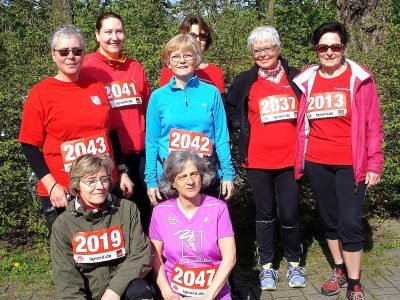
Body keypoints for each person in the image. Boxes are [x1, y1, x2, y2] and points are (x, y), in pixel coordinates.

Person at [293, 22, 383, 300]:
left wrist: (374, 162)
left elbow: (373, 124)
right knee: (330, 219)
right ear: (316, 49)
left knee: (351, 220)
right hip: (318, 162)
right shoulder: (307, 79)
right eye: (323, 47)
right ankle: (339, 269)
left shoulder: (360, 79)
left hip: (351, 163)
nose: (329, 52)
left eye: (335, 46)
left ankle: (354, 283)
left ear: (344, 48)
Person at [18, 24, 133, 233]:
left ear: (83, 54)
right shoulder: (40, 93)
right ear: (53, 55)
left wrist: (122, 171)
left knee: (111, 251)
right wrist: (52, 185)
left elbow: (112, 133)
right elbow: (29, 146)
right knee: (73, 257)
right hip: (63, 191)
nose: (70, 56)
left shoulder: (96, 86)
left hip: (103, 186)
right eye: (64, 51)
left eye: (77, 51)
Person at [226, 26, 305, 290]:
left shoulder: (298, 78)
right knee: (264, 213)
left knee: (290, 213)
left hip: (290, 159)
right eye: (257, 50)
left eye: (268, 48)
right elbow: (230, 109)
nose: (263, 54)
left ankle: (295, 263)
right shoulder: (244, 81)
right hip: (258, 160)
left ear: (279, 48)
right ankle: (267, 266)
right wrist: (240, 131)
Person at [81, 12, 152, 231]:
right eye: (108, 32)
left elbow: (148, 109)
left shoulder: (135, 67)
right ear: (97, 35)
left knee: (144, 214)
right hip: (106, 157)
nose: (114, 37)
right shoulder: (87, 67)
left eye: (119, 31)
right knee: (112, 217)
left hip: (139, 155)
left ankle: (147, 263)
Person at [145, 33, 235, 205]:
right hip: (170, 178)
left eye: (187, 55)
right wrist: (150, 180)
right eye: (176, 57)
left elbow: (222, 137)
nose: (182, 61)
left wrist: (228, 174)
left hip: (206, 176)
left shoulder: (212, 93)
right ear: (168, 62)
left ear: (196, 59)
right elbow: (152, 141)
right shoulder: (158, 97)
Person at [50, 154, 153, 300]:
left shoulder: (127, 209)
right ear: (77, 184)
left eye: (104, 179)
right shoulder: (63, 224)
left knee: (141, 290)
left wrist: (114, 291)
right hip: (87, 294)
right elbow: (66, 280)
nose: (100, 186)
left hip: (123, 290)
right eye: (91, 181)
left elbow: (141, 254)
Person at [149, 150, 236, 300]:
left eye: (194, 174)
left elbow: (230, 257)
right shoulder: (160, 212)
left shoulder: (218, 208)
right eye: (182, 177)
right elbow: (155, 258)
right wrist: (166, 292)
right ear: (172, 182)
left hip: (213, 293)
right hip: (174, 293)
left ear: (201, 177)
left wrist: (207, 297)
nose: (190, 181)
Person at [158, 15, 225, 99]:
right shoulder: (170, 69)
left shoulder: (215, 72)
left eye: (202, 36)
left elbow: (219, 106)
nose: (197, 40)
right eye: (192, 35)